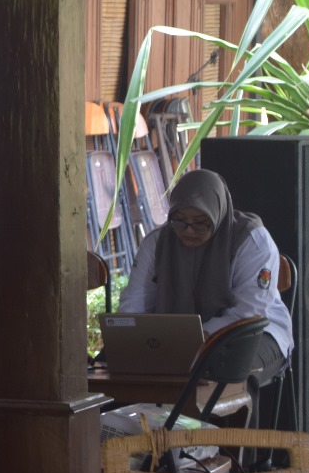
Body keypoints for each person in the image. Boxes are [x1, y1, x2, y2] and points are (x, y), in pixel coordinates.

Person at [117, 169, 293, 427]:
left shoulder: (252, 240)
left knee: (237, 371)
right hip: (181, 341)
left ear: (218, 212)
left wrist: (194, 339)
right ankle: (154, 455)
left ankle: (238, 461)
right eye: (179, 220)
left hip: (257, 334)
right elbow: (134, 304)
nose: (188, 230)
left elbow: (250, 313)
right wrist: (131, 338)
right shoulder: (158, 243)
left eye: (201, 222)